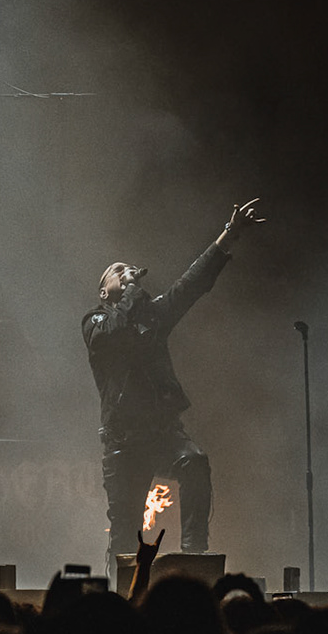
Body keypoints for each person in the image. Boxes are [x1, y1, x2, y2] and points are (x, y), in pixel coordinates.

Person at [83, 199, 264, 560]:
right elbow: (117, 329)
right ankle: (121, 591)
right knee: (124, 538)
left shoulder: (153, 317)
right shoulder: (95, 323)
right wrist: (132, 290)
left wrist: (229, 234)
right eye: (117, 271)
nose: (126, 271)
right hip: (123, 444)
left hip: (162, 433)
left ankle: (194, 555)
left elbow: (191, 285)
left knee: (194, 462)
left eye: (128, 269)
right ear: (104, 292)